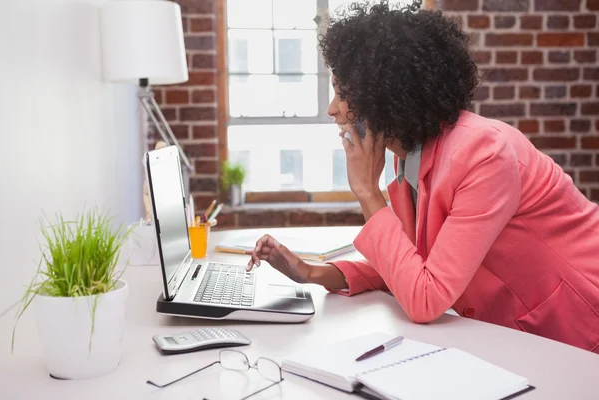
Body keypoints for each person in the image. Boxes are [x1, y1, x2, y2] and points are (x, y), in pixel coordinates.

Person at [245, 0, 599, 353]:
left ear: (382, 96)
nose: (331, 109)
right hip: (529, 338)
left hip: (582, 319)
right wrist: (309, 273)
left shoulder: (484, 153)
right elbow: (408, 264)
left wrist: (368, 193)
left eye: (342, 93)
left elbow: (425, 298)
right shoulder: (410, 159)